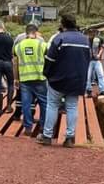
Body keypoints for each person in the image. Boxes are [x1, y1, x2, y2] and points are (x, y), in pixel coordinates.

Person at [37, 14, 89, 147]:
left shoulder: (59, 38)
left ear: (63, 24)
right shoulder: (85, 40)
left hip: (58, 80)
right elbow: (87, 60)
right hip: (77, 80)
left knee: (52, 105)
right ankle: (70, 138)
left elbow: (49, 59)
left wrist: (46, 74)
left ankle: (47, 136)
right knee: (72, 107)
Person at [13, 24, 48, 135]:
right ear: (36, 33)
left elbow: (15, 63)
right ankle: (43, 126)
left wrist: (16, 78)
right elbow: (48, 59)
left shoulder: (18, 46)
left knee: (26, 103)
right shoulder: (42, 44)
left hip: (25, 79)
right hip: (40, 77)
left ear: (26, 32)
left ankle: (28, 128)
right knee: (44, 103)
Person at [85, 27, 104, 98]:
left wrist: (99, 54)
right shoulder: (86, 39)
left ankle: (103, 90)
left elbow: (102, 47)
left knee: (100, 74)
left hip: (97, 60)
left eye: (94, 32)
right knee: (88, 76)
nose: (92, 33)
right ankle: (88, 91)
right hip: (88, 60)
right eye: (91, 32)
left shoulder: (99, 39)